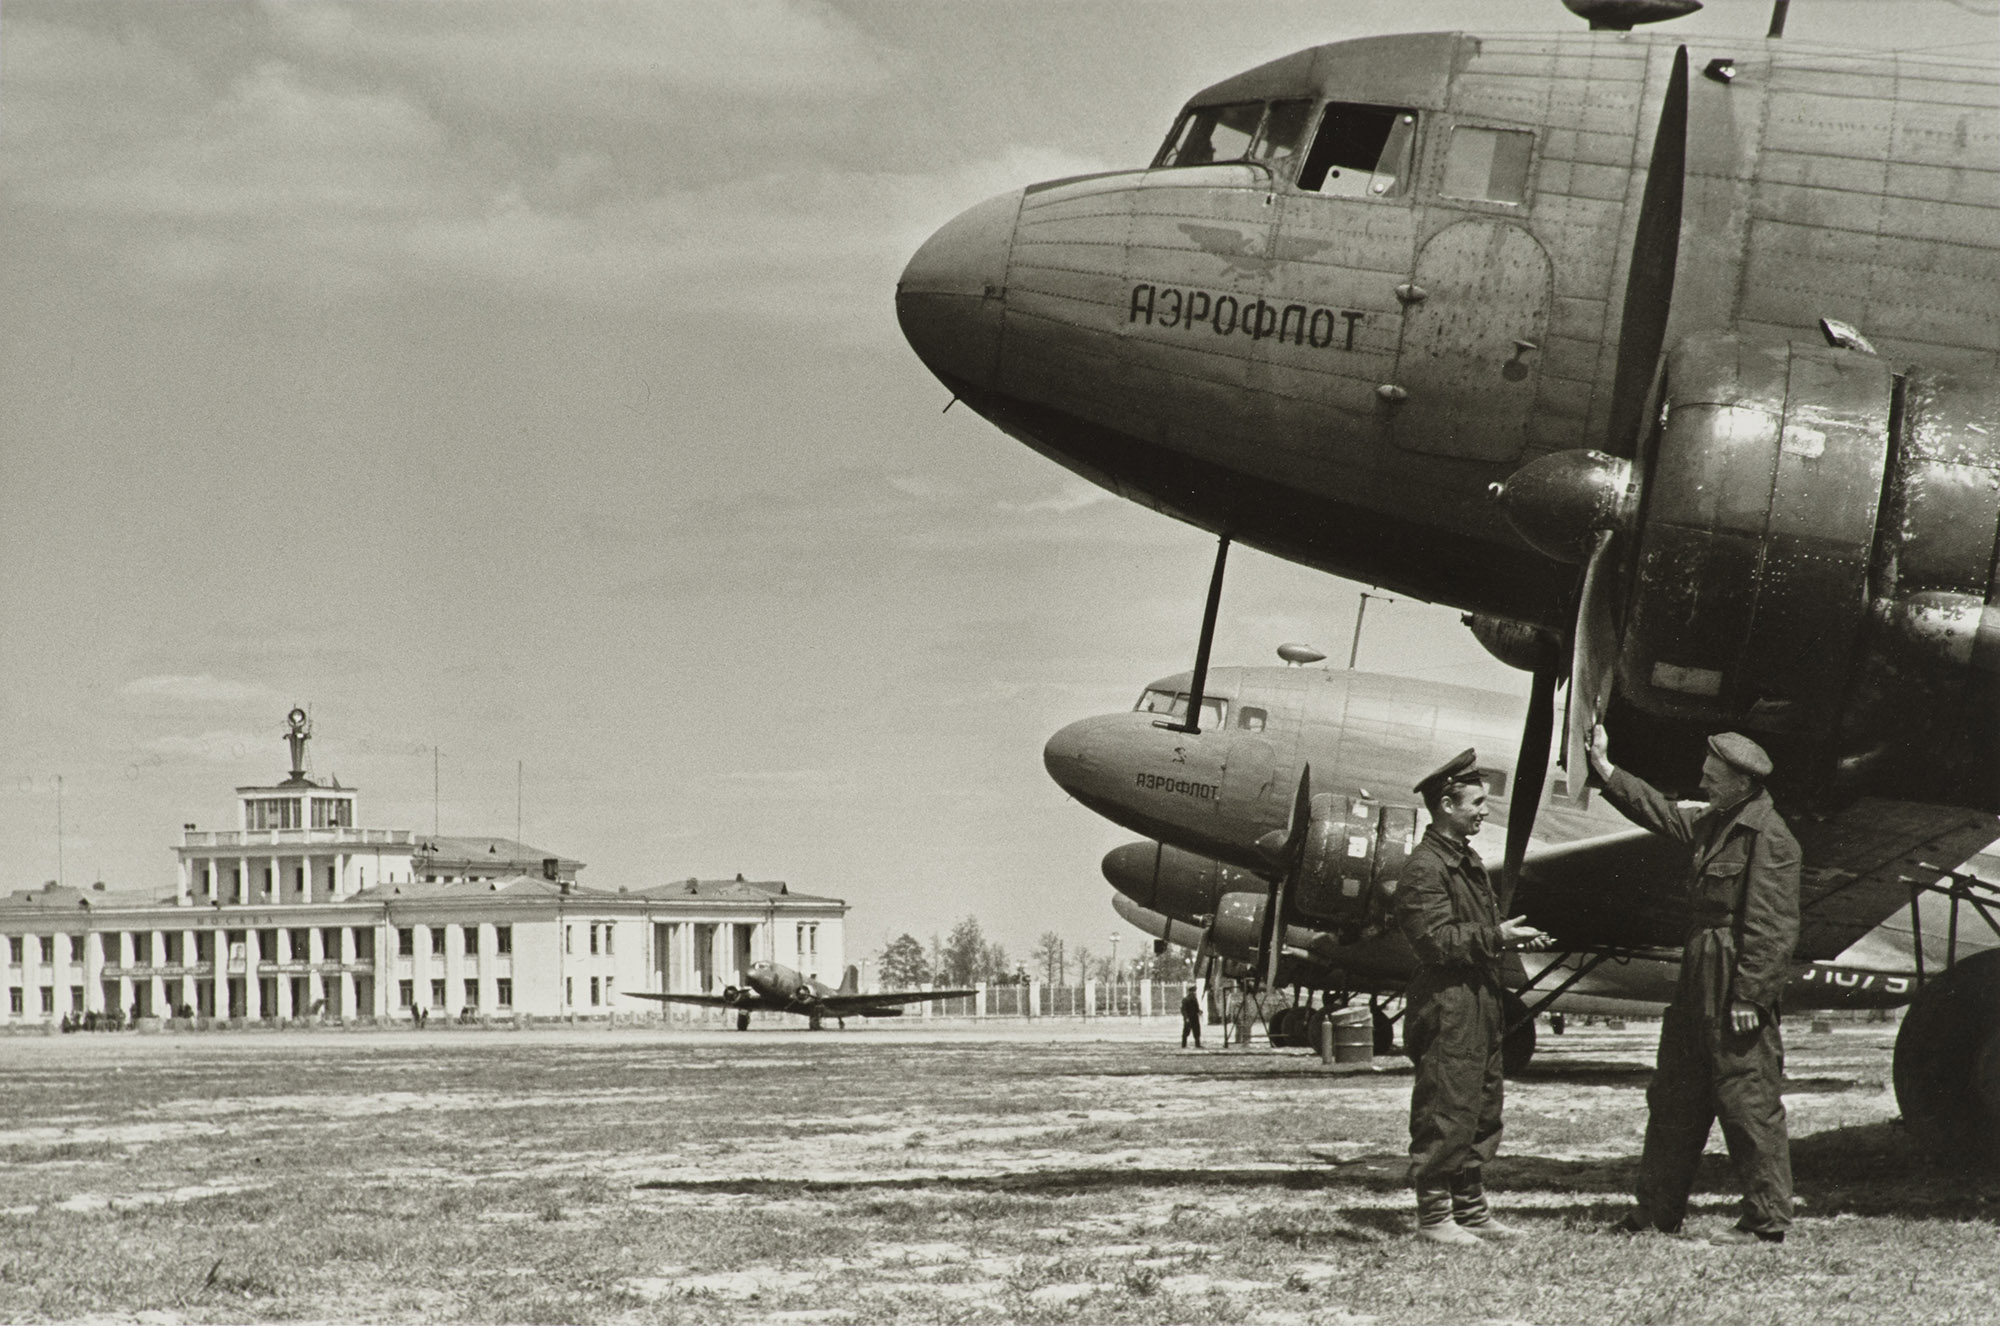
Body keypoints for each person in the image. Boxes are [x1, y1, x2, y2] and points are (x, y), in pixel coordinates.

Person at [1588, 725, 1800, 1246]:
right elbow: (1661, 812)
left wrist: (1751, 994)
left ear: (1741, 781)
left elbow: (1773, 927)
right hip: (1698, 970)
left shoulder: (1770, 837)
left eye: (1712, 775)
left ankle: (1766, 1219)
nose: (1702, 782)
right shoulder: (1717, 822)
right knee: (1675, 1095)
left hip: (1733, 977)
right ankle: (1656, 1213)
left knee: (1747, 1098)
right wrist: (1605, 769)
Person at [1395, 749, 1552, 1246]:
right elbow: (1434, 941)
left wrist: (1511, 937)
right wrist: (1496, 937)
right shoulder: (1425, 868)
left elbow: (1472, 930)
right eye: (1478, 802)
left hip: (1477, 997)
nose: (1486, 810)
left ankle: (1471, 1209)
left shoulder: (1465, 860)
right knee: (1447, 1106)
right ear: (1446, 803)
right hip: (1448, 1001)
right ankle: (1435, 1217)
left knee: (1482, 1106)